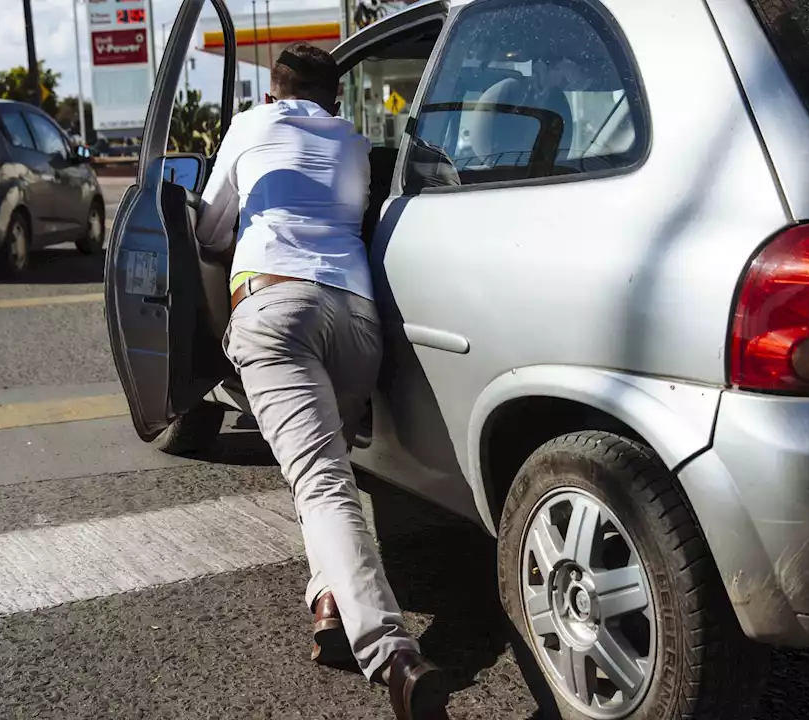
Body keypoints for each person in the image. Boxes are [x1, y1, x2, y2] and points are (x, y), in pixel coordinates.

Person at [194, 42, 451, 720]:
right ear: (337, 99)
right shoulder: (355, 141)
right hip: (356, 321)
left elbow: (211, 229)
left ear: (274, 92)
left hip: (276, 311)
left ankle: (393, 654)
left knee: (321, 481)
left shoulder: (251, 125)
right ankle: (329, 604)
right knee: (327, 469)